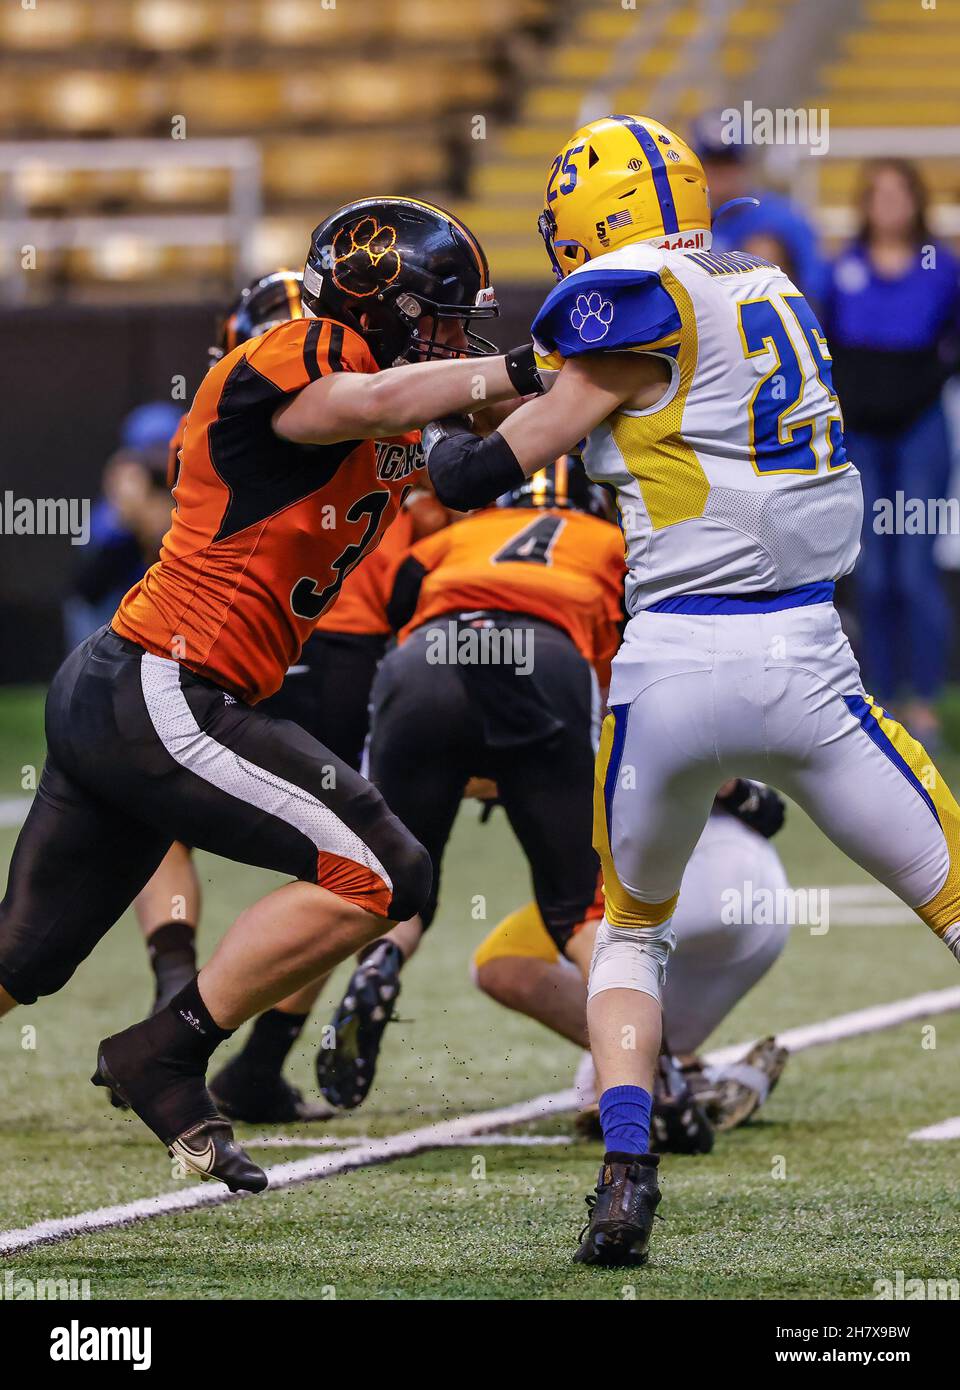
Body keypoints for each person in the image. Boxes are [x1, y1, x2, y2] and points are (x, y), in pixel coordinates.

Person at [423, 114, 960, 1268]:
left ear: (593, 212)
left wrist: (430, 417)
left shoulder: (626, 295)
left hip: (667, 669)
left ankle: (626, 1179)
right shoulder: (769, 282)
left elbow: (482, 471)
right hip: (809, 658)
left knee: (629, 935)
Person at [0, 197, 542, 1193]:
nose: (452, 335)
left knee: (20, 960)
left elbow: (471, 463)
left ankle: (165, 1048)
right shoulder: (299, 349)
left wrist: (605, 382)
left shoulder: (383, 385)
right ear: (376, 300)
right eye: (438, 313)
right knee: (386, 873)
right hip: (168, 681)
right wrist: (523, 368)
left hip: (134, 685)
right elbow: (371, 407)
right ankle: (165, 1048)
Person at [315, 460, 625, 1109]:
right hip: (541, 657)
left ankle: (380, 964)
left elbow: (399, 616)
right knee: (576, 907)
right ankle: (647, 1069)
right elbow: (613, 688)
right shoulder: (616, 547)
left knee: (401, 887)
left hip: (424, 662)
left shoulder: (448, 542)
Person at [472, 792, 790, 1146]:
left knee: (504, 960)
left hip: (685, 877)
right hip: (757, 892)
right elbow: (762, 805)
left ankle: (665, 1081)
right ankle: (691, 1078)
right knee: (605, 1070)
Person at [824, 158, 960, 747]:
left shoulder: (940, 267)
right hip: (862, 435)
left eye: (897, 193)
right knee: (873, 574)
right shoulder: (842, 268)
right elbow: (821, 342)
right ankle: (877, 700)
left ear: (915, 200)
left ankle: (925, 699)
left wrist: (923, 383)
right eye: (875, 193)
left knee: (915, 570)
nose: (887, 204)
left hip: (919, 432)